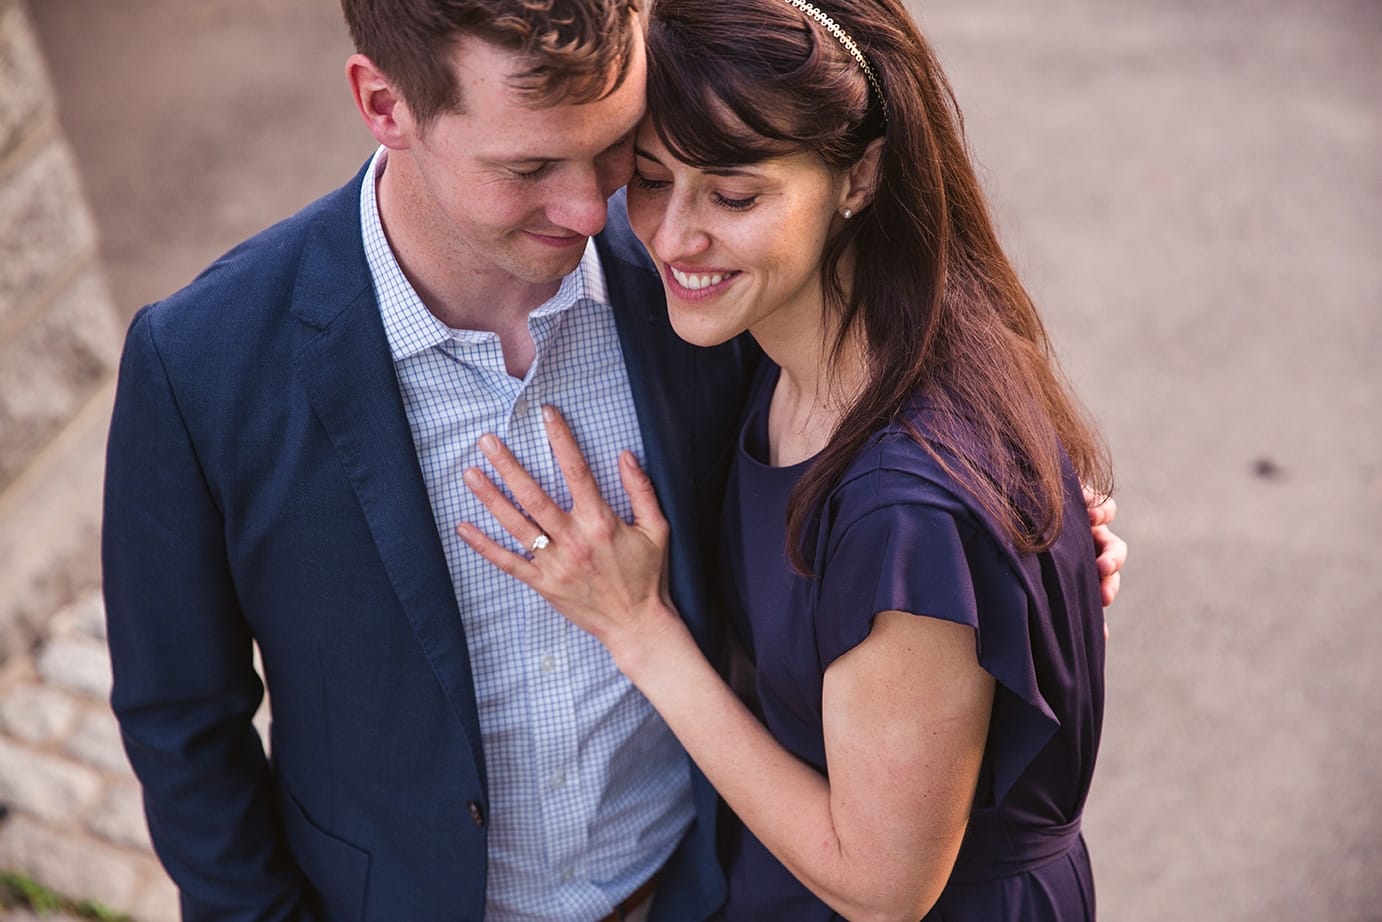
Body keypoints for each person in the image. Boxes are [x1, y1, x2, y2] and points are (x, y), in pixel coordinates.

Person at [102, 2, 1124, 920]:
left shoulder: (704, 288)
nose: (593, 214)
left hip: (704, 889)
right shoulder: (203, 365)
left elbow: (859, 481)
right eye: (528, 169)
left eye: (612, 148)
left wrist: (1003, 563)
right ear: (384, 103)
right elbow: (183, 723)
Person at [457, 1, 1117, 920]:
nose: (672, 238)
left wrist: (638, 630)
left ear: (860, 178)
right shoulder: (791, 360)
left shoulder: (905, 510)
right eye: (649, 179)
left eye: (734, 197)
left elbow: (884, 888)